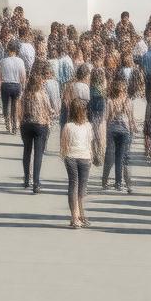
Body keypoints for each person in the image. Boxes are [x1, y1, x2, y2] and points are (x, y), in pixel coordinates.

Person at [60, 98, 93, 228]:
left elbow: (63, 144)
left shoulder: (68, 126)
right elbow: (89, 142)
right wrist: (91, 156)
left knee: (74, 186)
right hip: (84, 157)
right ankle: (79, 215)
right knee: (81, 189)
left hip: (71, 157)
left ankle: (76, 216)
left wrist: (65, 155)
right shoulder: (88, 126)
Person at [20, 71, 50, 194]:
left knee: (27, 150)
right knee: (38, 154)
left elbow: (20, 108)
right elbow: (48, 107)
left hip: (26, 124)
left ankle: (27, 178)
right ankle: (36, 183)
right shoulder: (42, 94)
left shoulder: (25, 94)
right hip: (40, 124)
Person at [103, 79, 135, 193]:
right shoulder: (127, 101)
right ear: (123, 90)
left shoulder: (110, 101)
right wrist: (132, 130)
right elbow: (131, 117)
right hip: (125, 131)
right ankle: (118, 183)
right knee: (120, 158)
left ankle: (107, 181)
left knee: (111, 156)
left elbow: (106, 118)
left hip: (112, 130)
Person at [0, 40, 26, 134]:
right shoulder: (20, 61)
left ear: (8, 50)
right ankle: (15, 126)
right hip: (16, 85)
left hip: (5, 85)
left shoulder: (3, 61)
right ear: (16, 50)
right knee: (15, 106)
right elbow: (23, 76)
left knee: (6, 105)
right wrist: (23, 86)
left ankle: (8, 123)